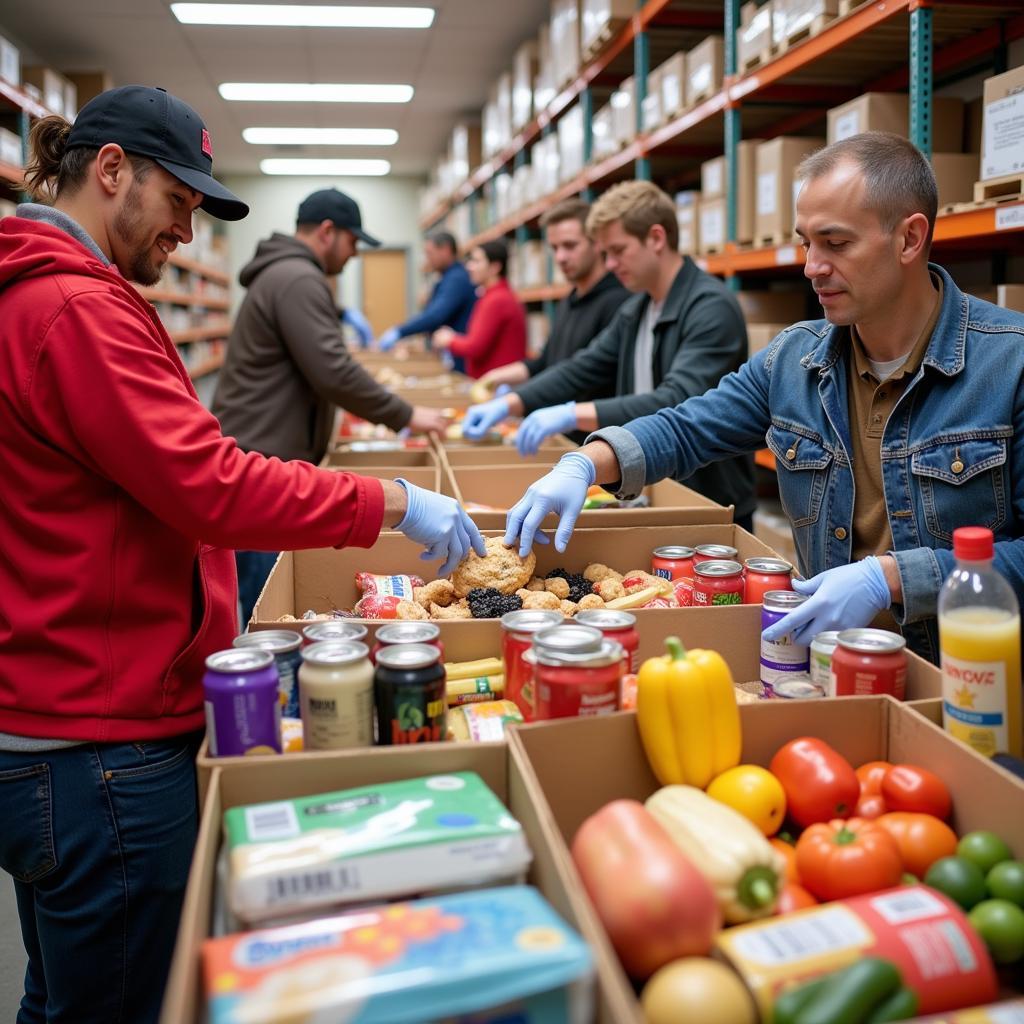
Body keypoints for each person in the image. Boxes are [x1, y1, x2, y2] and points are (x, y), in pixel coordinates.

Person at [0, 85, 484, 1024]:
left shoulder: (45, 293)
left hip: (55, 711)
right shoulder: (75, 310)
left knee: (58, 996)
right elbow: (211, 485)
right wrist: (392, 498)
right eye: (178, 202)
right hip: (99, 739)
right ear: (111, 171)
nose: (183, 231)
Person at [502, 132, 1024, 663]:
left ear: (910, 239)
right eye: (806, 243)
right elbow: (688, 427)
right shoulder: (793, 361)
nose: (811, 267)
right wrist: (585, 464)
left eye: (836, 244)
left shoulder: (1011, 366)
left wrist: (890, 578)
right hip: (827, 662)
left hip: (968, 680)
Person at [212, 188, 449, 623]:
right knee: (267, 606)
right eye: (353, 241)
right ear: (327, 232)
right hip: (265, 459)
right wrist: (407, 415)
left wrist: (337, 313)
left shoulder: (289, 275)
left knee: (260, 592)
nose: (354, 253)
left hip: (266, 450)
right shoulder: (299, 278)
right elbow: (334, 372)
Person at [463, 180, 757, 527]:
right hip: (655, 484)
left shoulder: (710, 308)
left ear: (657, 238)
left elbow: (677, 400)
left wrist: (571, 413)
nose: (612, 264)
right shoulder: (637, 309)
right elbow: (583, 366)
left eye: (618, 250)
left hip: (709, 500)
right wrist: (513, 403)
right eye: (606, 253)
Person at [478, 198, 628, 443]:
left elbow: (586, 372)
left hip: (596, 443)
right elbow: (547, 361)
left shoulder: (619, 303)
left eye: (570, 246)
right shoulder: (569, 300)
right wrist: (497, 377)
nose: (560, 257)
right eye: (554, 248)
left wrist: (515, 402)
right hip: (561, 437)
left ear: (597, 244)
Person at [430, 239, 528, 379]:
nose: (469, 266)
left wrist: (449, 340)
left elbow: (475, 347)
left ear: (495, 267)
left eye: (476, 261)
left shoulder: (497, 300)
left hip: (497, 387)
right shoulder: (493, 296)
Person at [377, 229, 477, 353]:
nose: (428, 259)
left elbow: (435, 315)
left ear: (445, 250)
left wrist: (400, 331)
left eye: (430, 253)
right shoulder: (447, 277)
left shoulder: (456, 279)